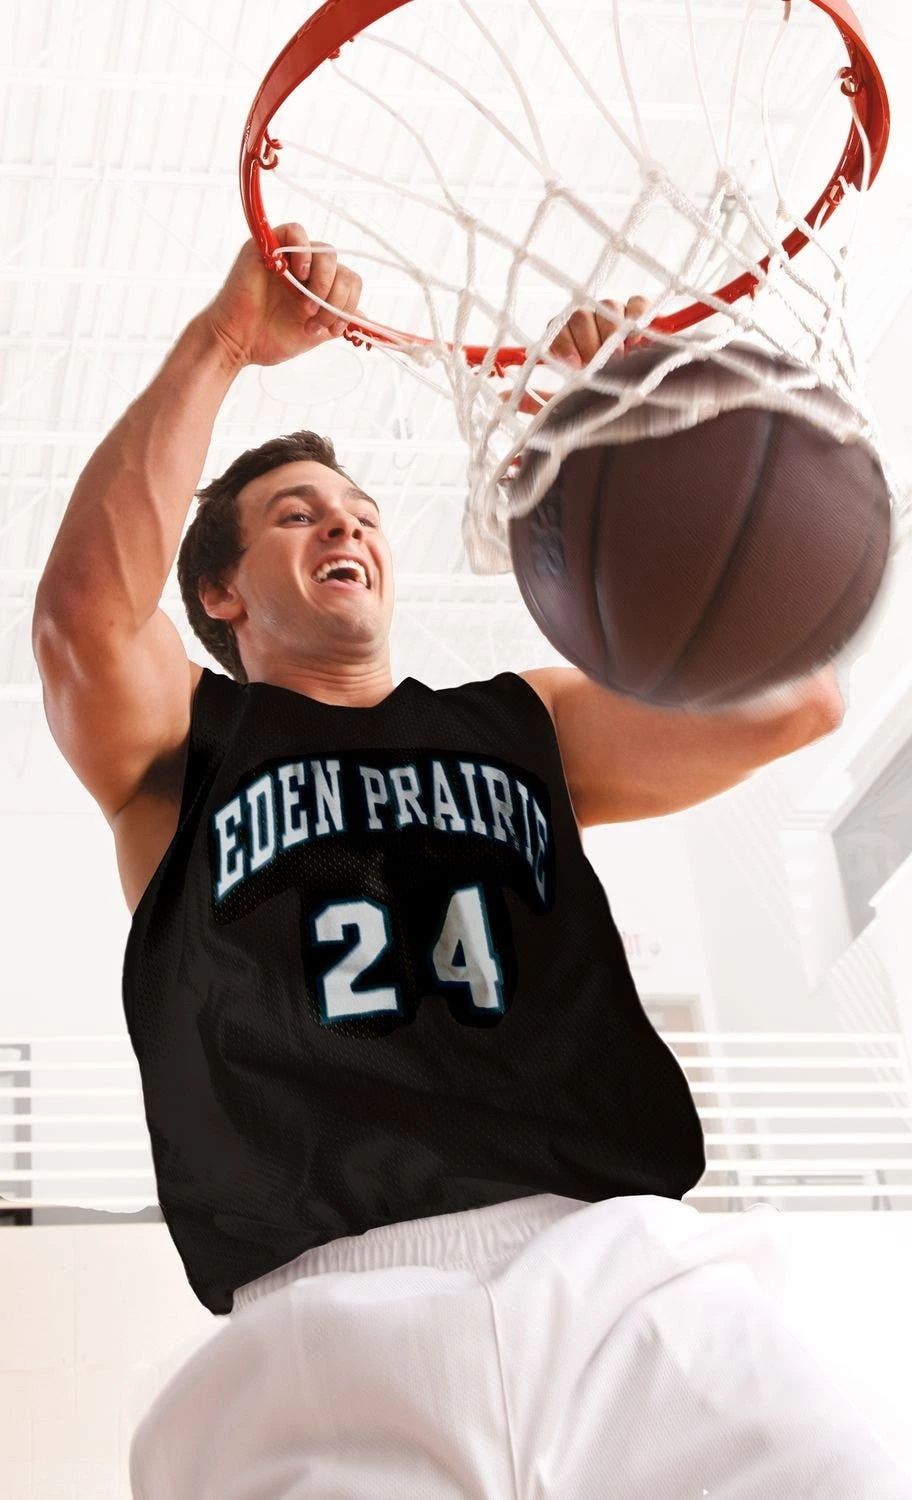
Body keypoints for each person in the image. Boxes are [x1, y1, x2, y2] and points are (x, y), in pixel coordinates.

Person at [32, 224, 910, 1499]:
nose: (346, 530)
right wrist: (226, 342)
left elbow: (799, 700)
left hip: (624, 1282)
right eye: (297, 515)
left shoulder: (527, 722)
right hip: (320, 1325)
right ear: (220, 592)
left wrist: (646, 401)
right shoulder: (181, 752)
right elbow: (81, 622)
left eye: (361, 515)